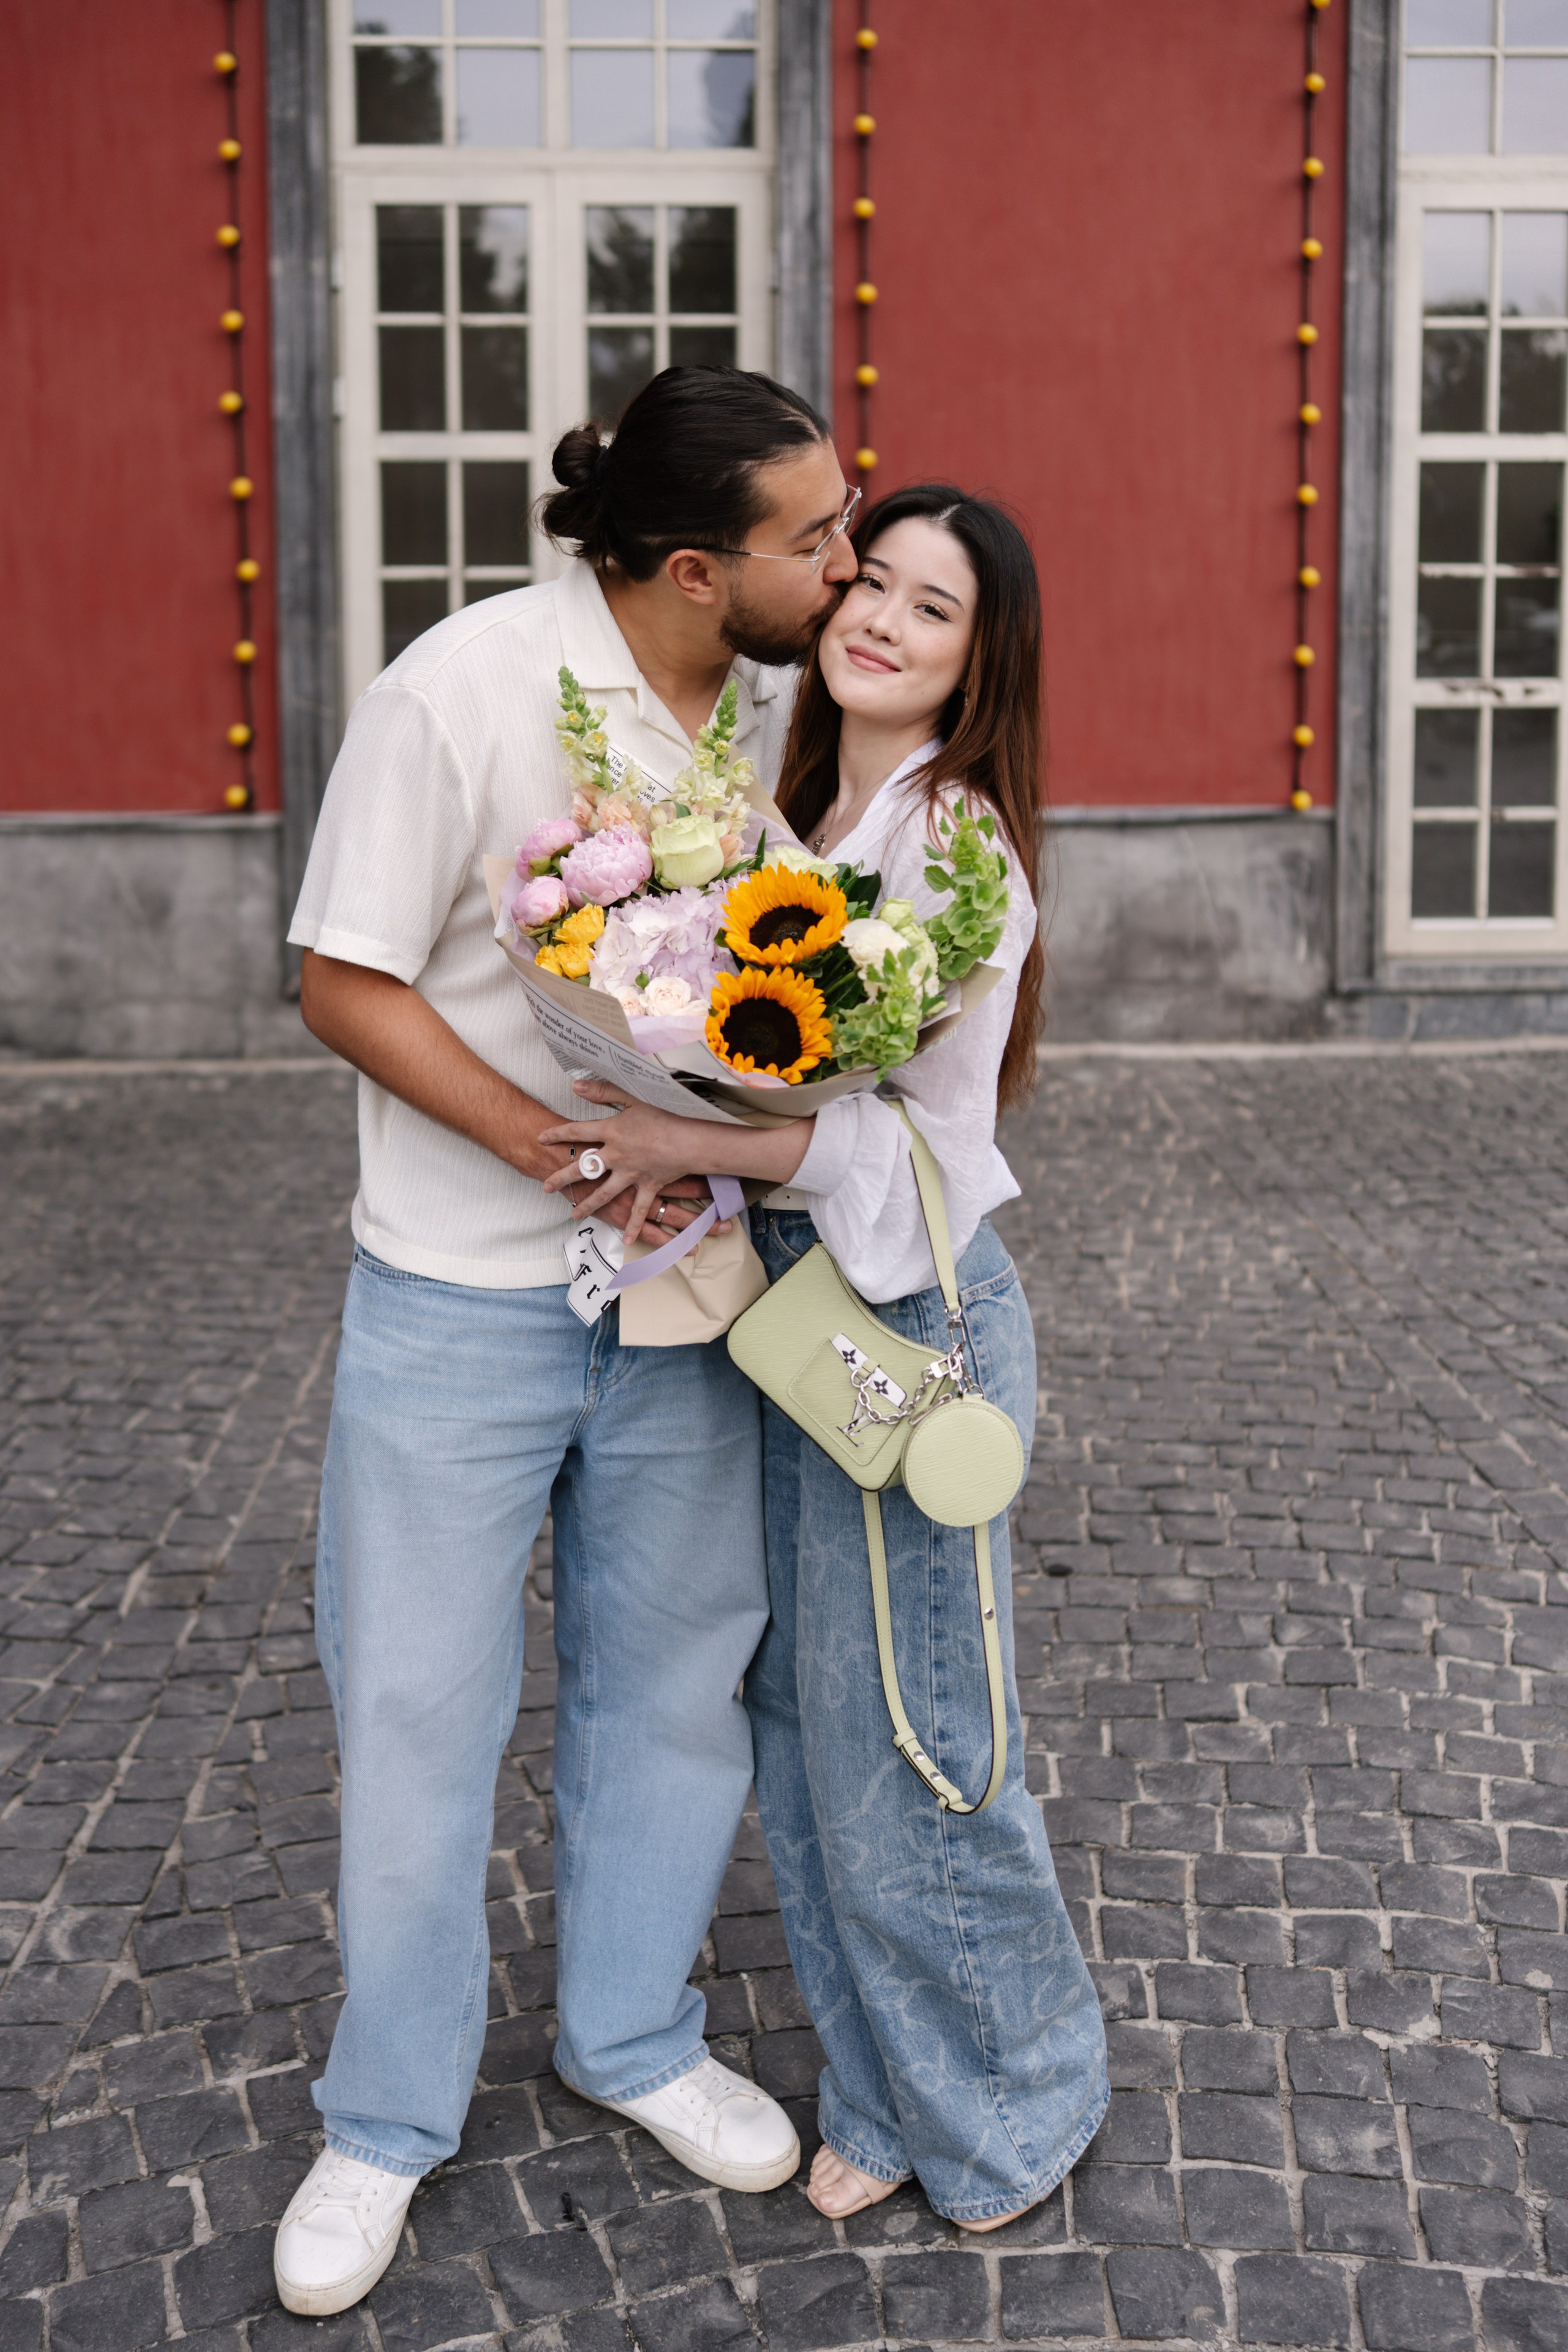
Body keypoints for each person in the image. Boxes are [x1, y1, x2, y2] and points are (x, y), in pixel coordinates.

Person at [271, 368, 861, 2318]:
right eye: (815, 537)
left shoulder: (780, 704)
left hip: (687, 1290)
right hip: (459, 1288)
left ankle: (631, 2037)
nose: (845, 564)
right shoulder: (460, 688)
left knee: (675, 1690)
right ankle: (384, 2121)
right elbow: (338, 976)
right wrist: (545, 1137)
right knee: (423, 1715)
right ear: (699, 569)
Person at [541, 483, 1110, 2230]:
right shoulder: (781, 804)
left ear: (977, 657)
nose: (878, 621)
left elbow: (925, 1152)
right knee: (804, 1720)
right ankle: (878, 2081)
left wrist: (697, 1143)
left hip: (905, 1319)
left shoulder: (954, 854)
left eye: (931, 609)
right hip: (786, 1314)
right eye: (870, 584)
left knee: (925, 1736)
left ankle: (1016, 2105)